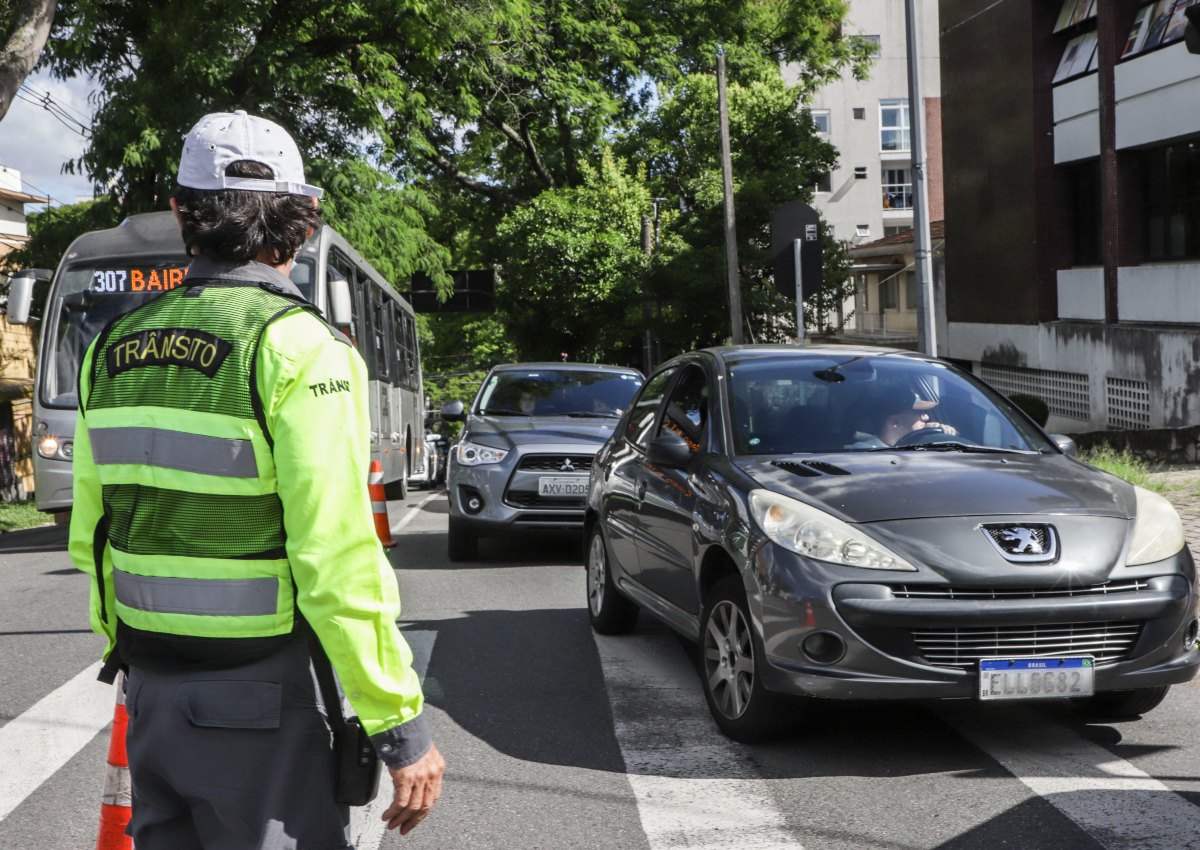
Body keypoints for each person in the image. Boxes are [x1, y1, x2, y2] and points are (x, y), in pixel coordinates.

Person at [69, 110, 444, 849]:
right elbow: (335, 558)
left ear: (181, 213)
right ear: (302, 225)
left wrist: (141, 657)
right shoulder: (301, 347)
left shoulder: (108, 348)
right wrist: (400, 724)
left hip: (149, 693)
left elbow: (94, 535)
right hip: (264, 703)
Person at [850, 385, 955, 448]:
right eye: (919, 413)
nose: (926, 417)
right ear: (894, 422)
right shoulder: (864, 452)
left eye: (925, 412)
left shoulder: (918, 447)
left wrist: (944, 436)